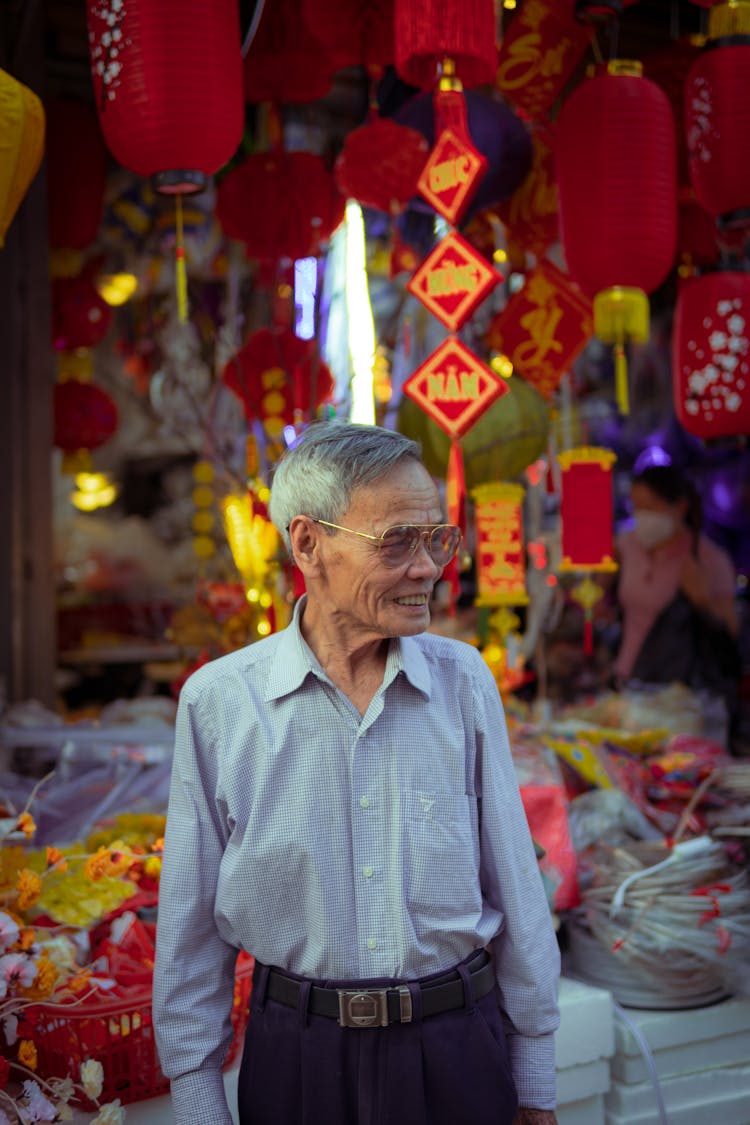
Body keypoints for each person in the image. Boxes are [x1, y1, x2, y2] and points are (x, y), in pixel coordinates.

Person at [153, 421, 560, 1125]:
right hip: (297, 1058)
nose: (428, 566)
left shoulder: (463, 682)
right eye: (397, 541)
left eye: (437, 538)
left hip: (458, 1047)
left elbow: (516, 890)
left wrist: (537, 1081)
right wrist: (197, 1100)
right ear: (308, 543)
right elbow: (189, 926)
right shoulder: (221, 702)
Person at [613, 463, 739, 712]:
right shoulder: (627, 545)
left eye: (650, 507)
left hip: (681, 696)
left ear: (680, 507)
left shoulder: (709, 558)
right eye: (636, 507)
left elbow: (731, 633)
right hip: (629, 680)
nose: (642, 516)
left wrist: (702, 600)